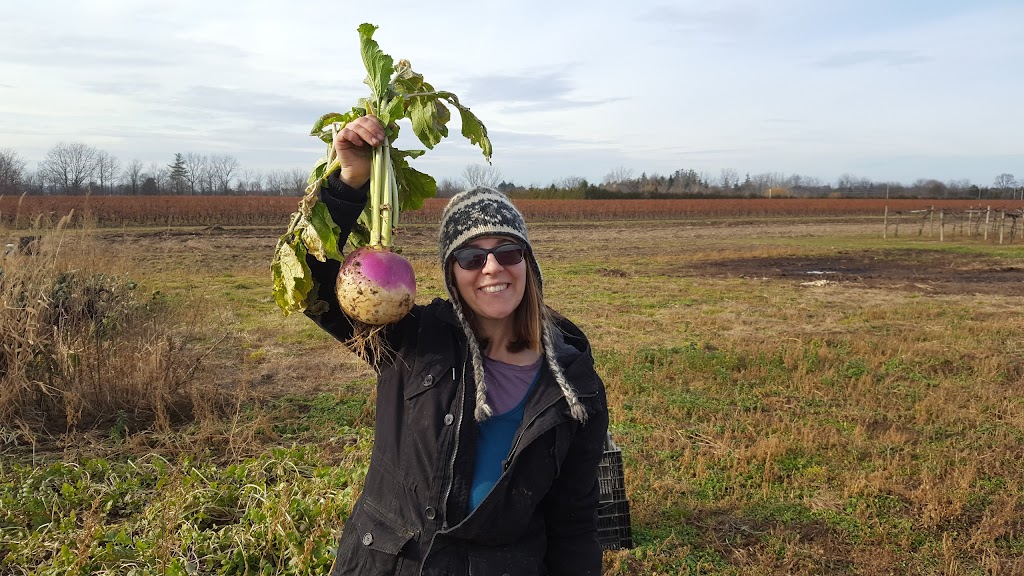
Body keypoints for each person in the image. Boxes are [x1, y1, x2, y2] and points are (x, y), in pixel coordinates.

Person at [304, 115, 609, 576]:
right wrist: (349, 183)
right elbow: (313, 284)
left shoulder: (573, 384)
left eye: (508, 251)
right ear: (452, 274)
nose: (491, 268)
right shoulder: (413, 342)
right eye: (471, 256)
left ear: (528, 263)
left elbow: (574, 523)